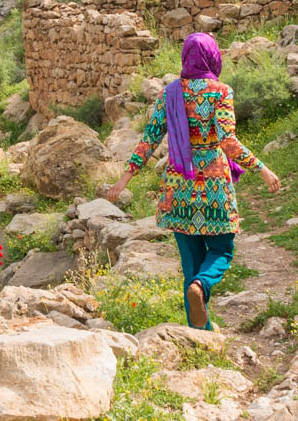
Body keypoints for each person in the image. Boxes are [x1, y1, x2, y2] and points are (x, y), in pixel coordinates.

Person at [102, 31, 280, 331]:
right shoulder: (220, 92)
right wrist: (261, 168)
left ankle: (200, 333)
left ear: (186, 57)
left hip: (179, 188)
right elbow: (228, 141)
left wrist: (124, 179)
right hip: (213, 187)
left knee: (190, 265)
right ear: (212, 57)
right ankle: (203, 285)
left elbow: (149, 140)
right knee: (222, 250)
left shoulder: (170, 93)